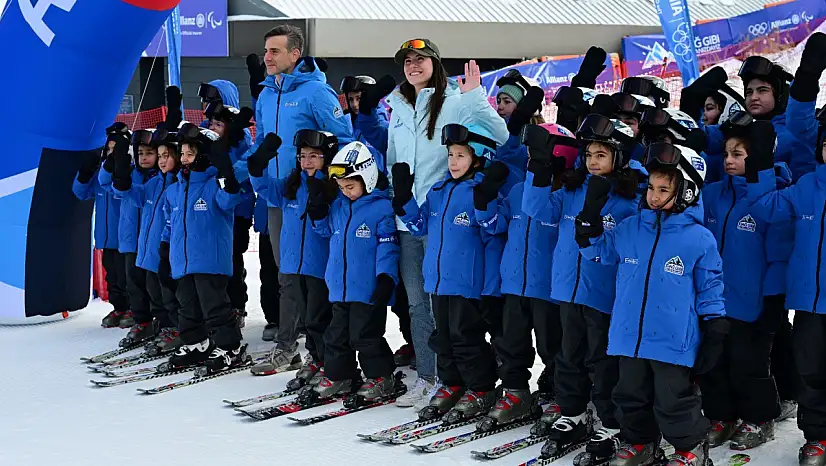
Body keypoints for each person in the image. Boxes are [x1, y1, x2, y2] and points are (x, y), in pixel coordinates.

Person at [358, 38, 509, 408]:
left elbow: (501, 139)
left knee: (449, 305)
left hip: (446, 219)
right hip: (408, 216)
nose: (413, 66)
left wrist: (475, 98)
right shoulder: (396, 106)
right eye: (407, 61)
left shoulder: (456, 101)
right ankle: (430, 377)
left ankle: (460, 377)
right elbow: (391, 154)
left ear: (435, 64)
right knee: (417, 305)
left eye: (420, 60)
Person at [574, 142, 725, 466]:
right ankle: (640, 443)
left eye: (664, 189)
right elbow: (598, 254)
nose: (653, 196)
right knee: (629, 396)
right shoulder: (630, 229)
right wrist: (587, 225)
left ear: (686, 192)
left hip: (672, 340)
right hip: (629, 336)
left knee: (674, 402)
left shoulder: (699, 239)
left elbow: (710, 286)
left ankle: (690, 449)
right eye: (652, 188)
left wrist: (715, 326)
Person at [522, 115, 639, 461]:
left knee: (601, 360)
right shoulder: (572, 189)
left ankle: (610, 420)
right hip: (566, 290)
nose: (593, 161)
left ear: (618, 158)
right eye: (589, 154)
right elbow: (535, 208)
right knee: (568, 355)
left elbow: (622, 252)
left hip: (603, 295)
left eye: (601, 155)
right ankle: (572, 412)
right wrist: (540, 169)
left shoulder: (628, 200)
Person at [250, 24, 353, 354]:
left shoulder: (316, 93)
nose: (267, 56)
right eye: (266, 50)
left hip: (315, 198)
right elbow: (262, 145)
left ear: (295, 54)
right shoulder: (266, 94)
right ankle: (290, 341)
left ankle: (325, 345)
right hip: (279, 196)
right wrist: (244, 171)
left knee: (317, 274)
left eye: (274, 51)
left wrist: (328, 186)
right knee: (287, 272)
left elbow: (345, 140)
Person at [475, 123, 579, 431]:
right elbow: (495, 226)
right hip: (514, 284)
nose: (531, 158)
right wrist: (485, 201)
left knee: (553, 346)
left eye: (538, 153)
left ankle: (560, 394)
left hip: (547, 288)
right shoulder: (520, 189)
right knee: (511, 343)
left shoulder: (567, 196)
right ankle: (516, 391)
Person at [744, 98, 826, 466]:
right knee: (812, 371)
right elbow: (764, 208)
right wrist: (759, 161)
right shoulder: (808, 185)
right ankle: (819, 436)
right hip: (810, 304)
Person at [699, 113, 780, 450]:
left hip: (751, 302)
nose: (730, 161)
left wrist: (774, 299)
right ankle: (722, 416)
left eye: (739, 154)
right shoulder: (713, 193)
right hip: (712, 300)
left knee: (749, 366)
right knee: (713, 364)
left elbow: (779, 254)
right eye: (727, 154)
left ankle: (758, 419)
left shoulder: (769, 196)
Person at [303, 141, 400, 403]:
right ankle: (340, 375)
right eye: (342, 187)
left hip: (368, 290)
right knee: (335, 336)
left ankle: (381, 376)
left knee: (365, 336)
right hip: (340, 287)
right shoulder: (339, 206)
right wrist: (318, 212)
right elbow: (325, 233)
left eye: (350, 186)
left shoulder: (381, 208)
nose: (346, 192)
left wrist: (386, 278)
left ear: (366, 178)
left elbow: (388, 248)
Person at [247, 130, 339, 385]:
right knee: (308, 321)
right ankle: (315, 359)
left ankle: (328, 362)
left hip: (319, 267)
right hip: (293, 263)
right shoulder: (292, 186)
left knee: (320, 319)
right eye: (302, 156)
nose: (306, 162)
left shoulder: (333, 187)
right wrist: (257, 167)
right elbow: (264, 186)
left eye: (313, 156)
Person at [164, 120, 250, 373]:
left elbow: (231, 199)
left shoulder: (214, 184)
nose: (184, 158)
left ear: (203, 155)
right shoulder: (175, 189)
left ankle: (229, 346)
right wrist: (163, 248)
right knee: (187, 305)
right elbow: (169, 223)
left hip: (210, 259)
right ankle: (196, 342)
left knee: (215, 306)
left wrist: (226, 174)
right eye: (182, 153)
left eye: (190, 153)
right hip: (182, 259)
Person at [113, 125, 182, 355]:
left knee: (168, 297)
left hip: (166, 252)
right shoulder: (154, 183)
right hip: (148, 251)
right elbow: (135, 196)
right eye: (159, 157)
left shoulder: (178, 184)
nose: (161, 161)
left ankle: (174, 329)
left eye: (166, 156)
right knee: (154, 294)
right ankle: (162, 328)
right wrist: (122, 177)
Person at [99, 128, 159, 347]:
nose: (144, 158)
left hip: (151, 241)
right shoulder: (130, 172)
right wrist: (114, 160)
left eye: (149, 153)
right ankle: (141, 320)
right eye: (141, 153)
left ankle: (160, 321)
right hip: (129, 240)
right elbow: (105, 182)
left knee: (154, 285)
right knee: (133, 283)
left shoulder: (159, 177)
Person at [205, 100, 256, 327]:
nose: (213, 128)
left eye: (219, 124)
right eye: (212, 123)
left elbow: (242, 172)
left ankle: (237, 306)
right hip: (213, 210)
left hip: (238, 213)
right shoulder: (209, 144)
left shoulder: (240, 143)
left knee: (233, 261)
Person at [73, 124, 129, 328]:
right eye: (109, 148)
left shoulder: (125, 171)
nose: (111, 153)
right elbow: (81, 193)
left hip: (123, 236)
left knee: (126, 276)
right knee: (112, 275)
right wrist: (84, 174)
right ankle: (119, 308)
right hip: (105, 236)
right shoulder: (100, 171)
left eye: (116, 149)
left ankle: (132, 309)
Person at [245, 55, 282, 341]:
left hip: (288, 196)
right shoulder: (261, 135)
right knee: (268, 268)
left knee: (291, 270)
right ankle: (274, 317)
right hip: (265, 206)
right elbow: (251, 157)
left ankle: (299, 320)